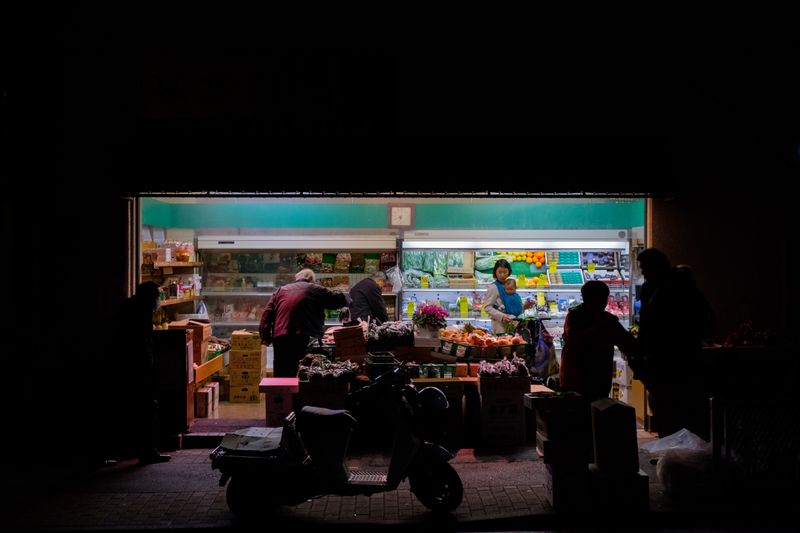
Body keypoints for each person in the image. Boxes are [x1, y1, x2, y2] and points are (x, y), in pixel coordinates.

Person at [636, 248, 715, 439]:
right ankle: (673, 445)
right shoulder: (653, 288)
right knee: (664, 405)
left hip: (676, 357)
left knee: (673, 406)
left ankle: (678, 446)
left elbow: (650, 323)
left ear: (656, 266)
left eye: (644, 267)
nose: (642, 271)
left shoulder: (676, 287)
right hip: (666, 357)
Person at [116, 281, 171, 465]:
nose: (158, 300)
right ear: (149, 297)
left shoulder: (130, 307)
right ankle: (147, 451)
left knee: (136, 408)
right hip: (138, 367)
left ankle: (134, 449)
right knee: (147, 408)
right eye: (156, 296)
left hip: (127, 367)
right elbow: (142, 343)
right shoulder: (141, 313)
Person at [259, 269, 350, 377]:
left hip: (280, 337)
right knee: (302, 372)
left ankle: (281, 387)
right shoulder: (315, 289)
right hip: (302, 335)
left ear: (296, 279)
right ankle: (298, 387)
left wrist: (265, 337)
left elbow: (266, 314)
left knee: (281, 372)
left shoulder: (281, 290)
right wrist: (345, 305)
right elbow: (338, 298)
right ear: (312, 280)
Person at [559, 280, 637, 403]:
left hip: (573, 379)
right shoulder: (606, 321)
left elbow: (628, 343)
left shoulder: (574, 316)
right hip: (594, 380)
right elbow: (628, 343)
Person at [483, 259, 532, 334]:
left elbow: (511, 306)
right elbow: (487, 307)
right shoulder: (493, 287)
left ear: (509, 272)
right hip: (500, 326)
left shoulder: (509, 285)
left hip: (513, 323)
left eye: (505, 272)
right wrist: (502, 316)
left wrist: (524, 307)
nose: (502, 275)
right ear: (495, 272)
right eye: (499, 272)